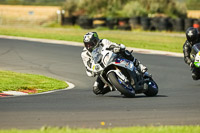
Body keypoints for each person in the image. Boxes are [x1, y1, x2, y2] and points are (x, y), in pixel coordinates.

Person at [81, 32, 148, 95]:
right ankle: (115, 85)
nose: (89, 46)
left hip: (112, 59)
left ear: (96, 41)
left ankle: (139, 66)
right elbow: (87, 66)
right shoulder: (84, 54)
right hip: (101, 68)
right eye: (87, 44)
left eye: (91, 43)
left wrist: (117, 47)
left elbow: (113, 45)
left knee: (124, 51)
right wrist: (91, 71)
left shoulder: (103, 42)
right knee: (97, 90)